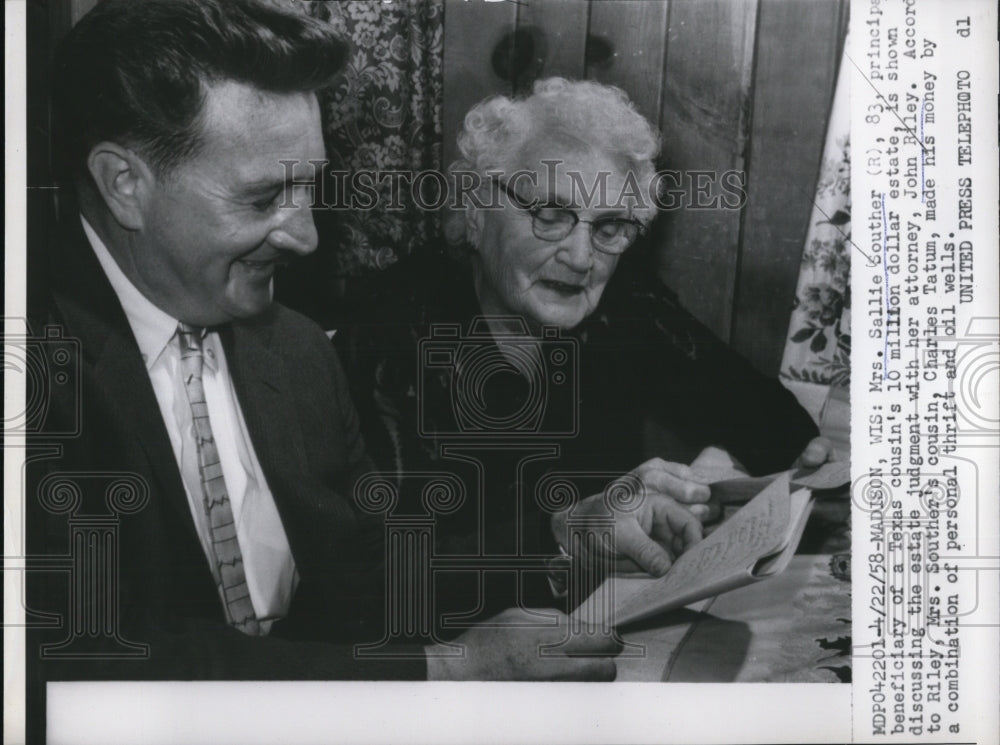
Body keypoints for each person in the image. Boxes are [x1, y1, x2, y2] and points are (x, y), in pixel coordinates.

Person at [25, 5, 650, 723]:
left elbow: (368, 570)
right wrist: (445, 669)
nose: (306, 237)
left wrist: (562, 538)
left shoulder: (292, 349)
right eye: (265, 197)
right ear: (123, 184)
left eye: (309, 189)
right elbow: (78, 667)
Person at [338, 77, 834, 622]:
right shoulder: (391, 338)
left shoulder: (625, 306)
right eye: (549, 215)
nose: (580, 258)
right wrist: (561, 535)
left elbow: (754, 408)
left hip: (608, 616)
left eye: (610, 226)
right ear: (476, 210)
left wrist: (802, 458)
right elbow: (380, 577)